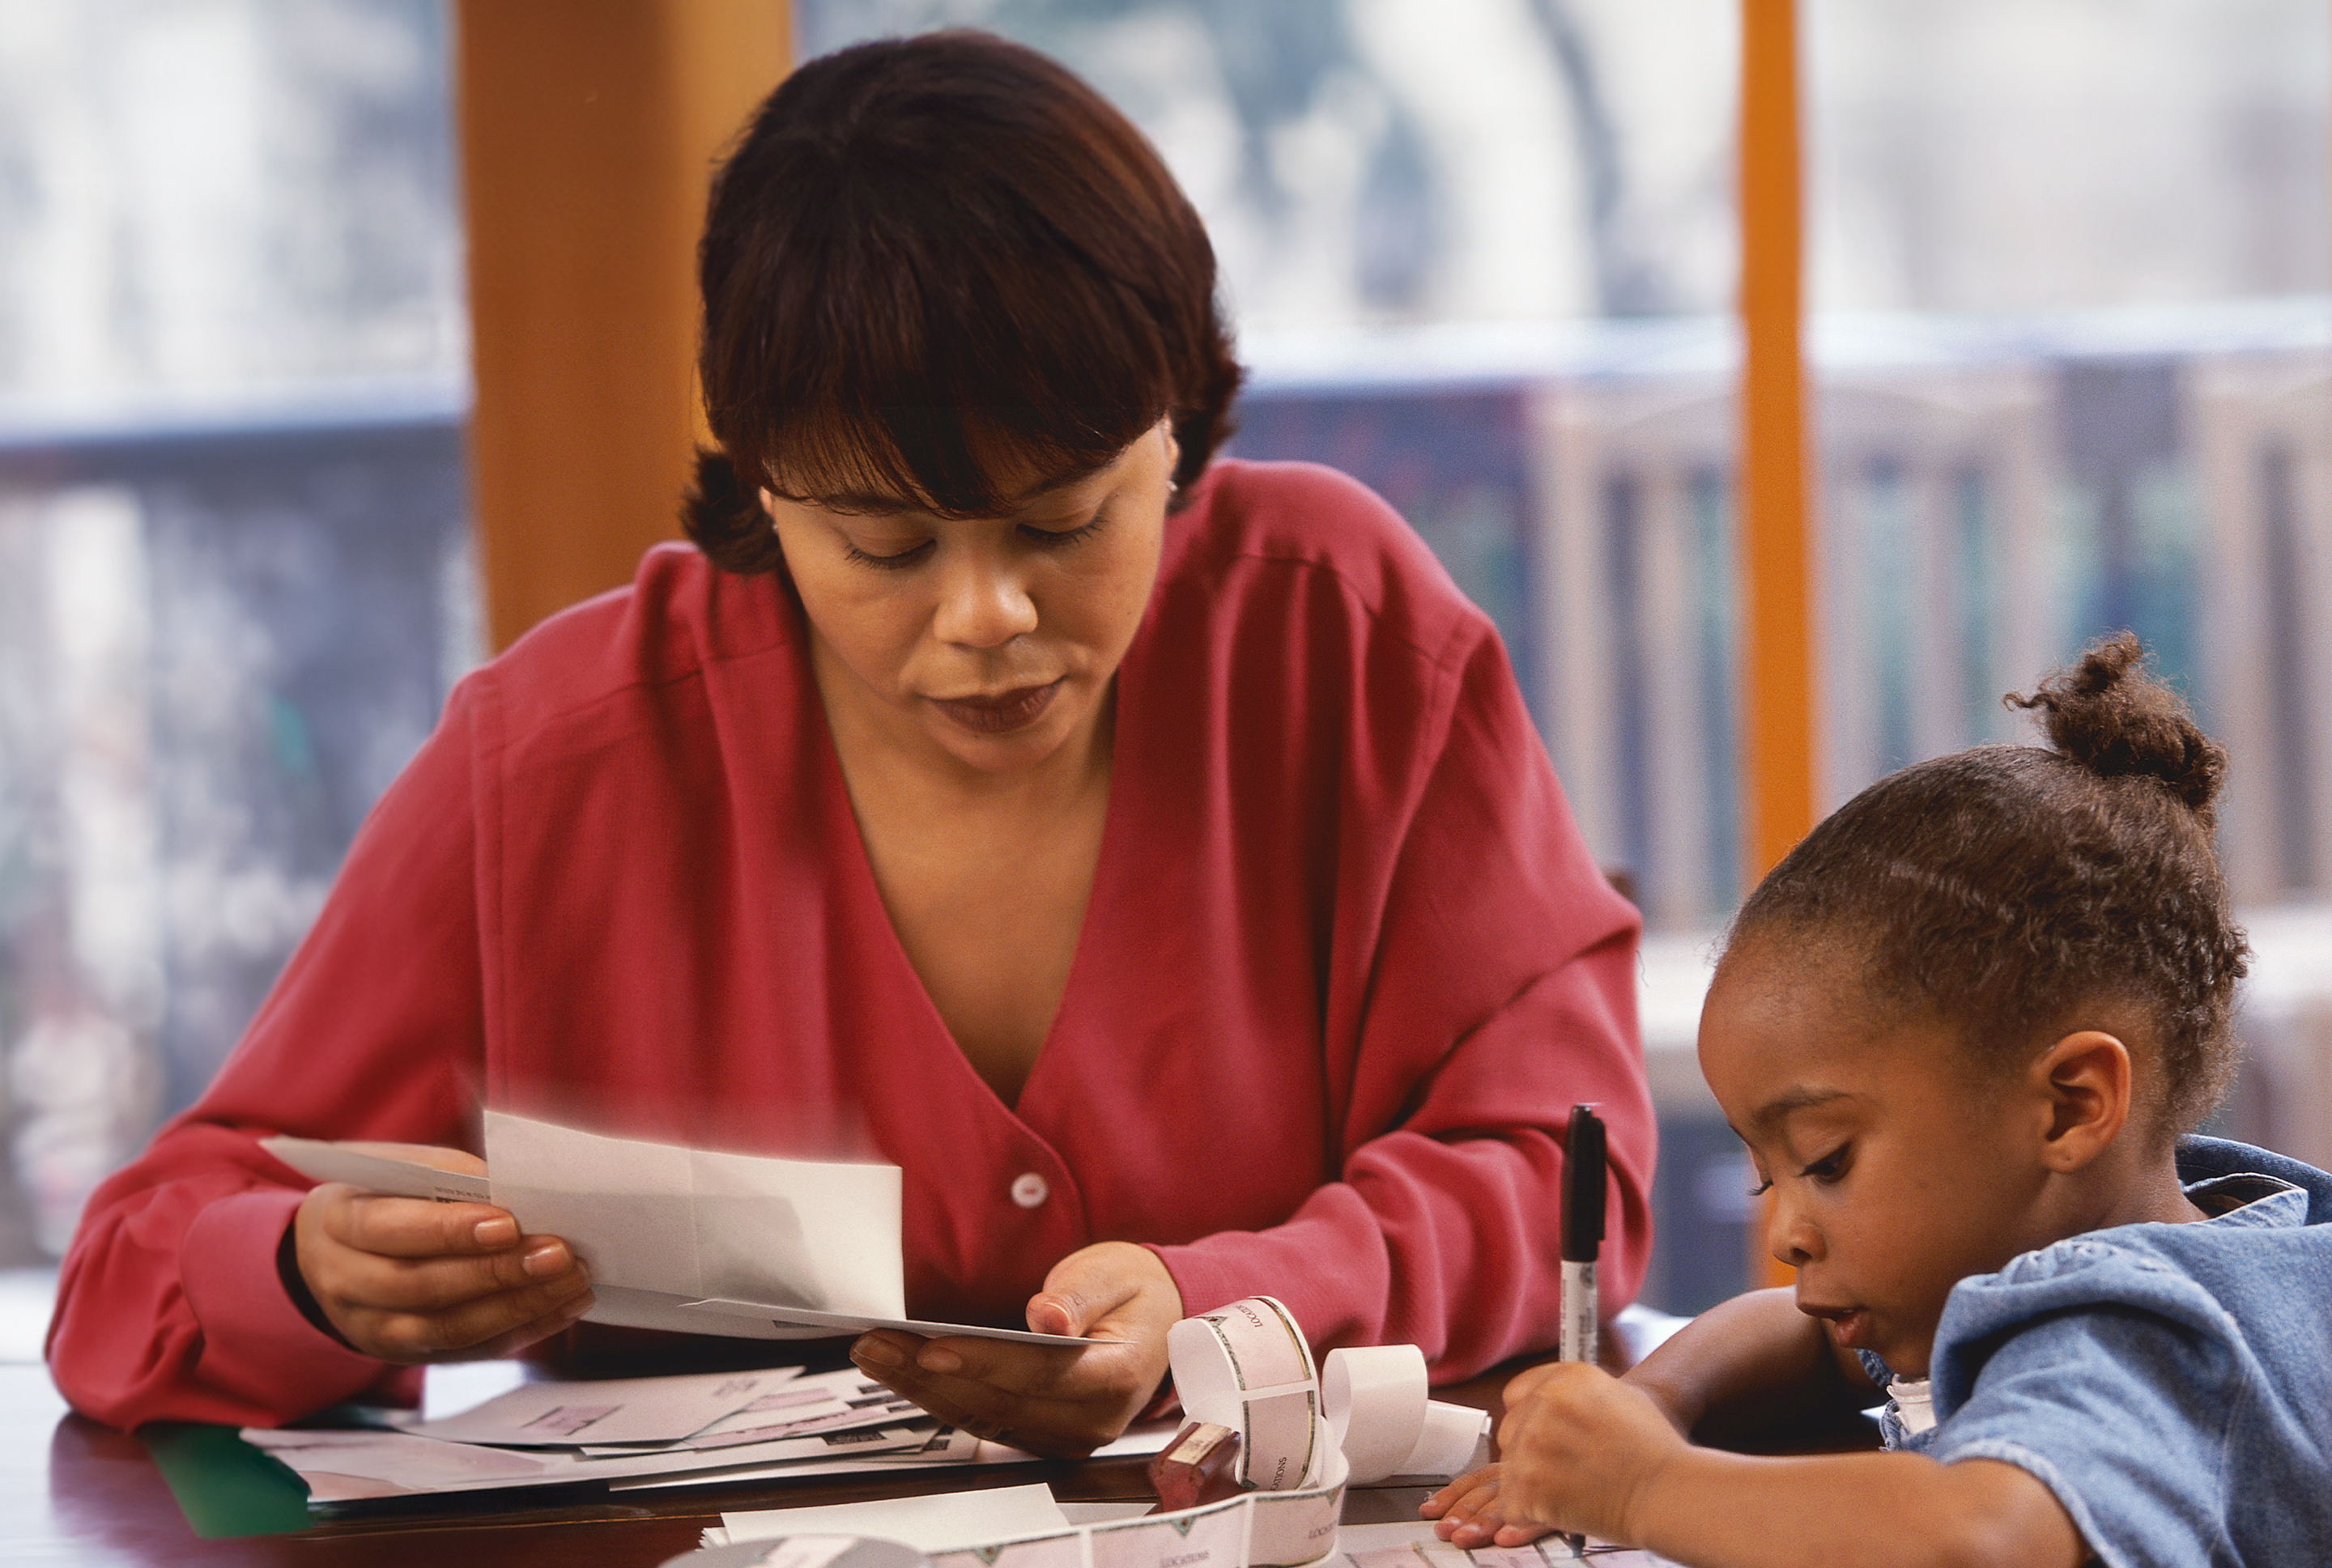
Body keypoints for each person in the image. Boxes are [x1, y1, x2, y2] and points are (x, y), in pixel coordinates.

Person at [48, 32, 1654, 1452]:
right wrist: (308, 1270)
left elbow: (1566, 1168)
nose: (987, 615)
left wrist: (1234, 1302)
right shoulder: (553, 765)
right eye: (884, 547)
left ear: (1180, 418)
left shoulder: (1346, 634)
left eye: (1062, 520)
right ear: (755, 478)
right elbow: (137, 1262)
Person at [1423, 632, 2332, 1565]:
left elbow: (1980, 1538)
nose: (1785, 1233)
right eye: (1764, 1178)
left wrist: (1643, 1482)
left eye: (1826, 1161)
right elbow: (1800, 1334)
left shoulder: (2141, 1334)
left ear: (2069, 1106)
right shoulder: (2182, 1235)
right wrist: (1651, 1403)